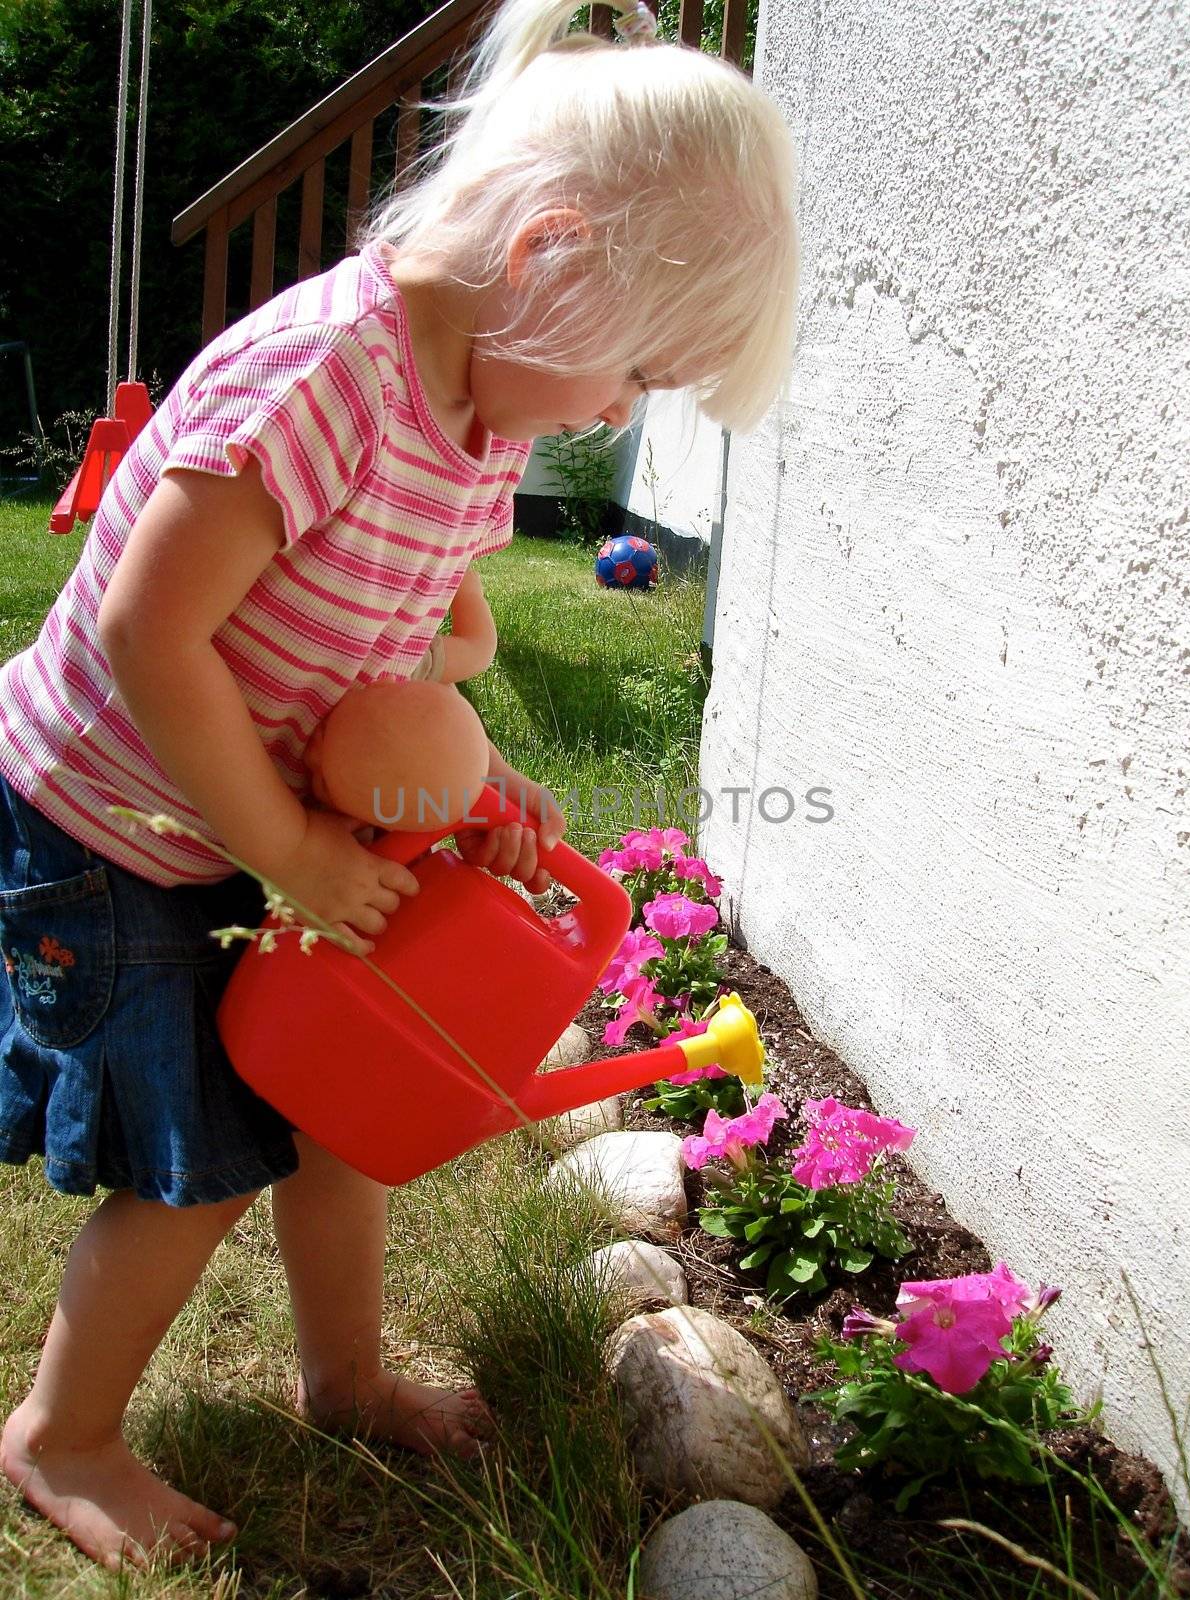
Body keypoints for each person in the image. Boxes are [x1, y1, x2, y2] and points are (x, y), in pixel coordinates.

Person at [0, 0, 798, 1572]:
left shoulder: (474, 407)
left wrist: (476, 775)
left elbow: (386, 635)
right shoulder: (326, 380)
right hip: (113, 817)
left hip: (238, 806)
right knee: (199, 1159)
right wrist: (291, 843)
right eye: (632, 364)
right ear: (549, 252)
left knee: (342, 1108)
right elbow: (150, 633)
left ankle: (346, 1378)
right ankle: (62, 1436)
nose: (617, 414)